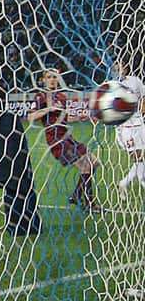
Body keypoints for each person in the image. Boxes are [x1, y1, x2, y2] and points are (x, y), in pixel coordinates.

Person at [27, 68, 102, 212]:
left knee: (94, 162)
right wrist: (48, 109)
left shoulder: (61, 96)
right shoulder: (40, 96)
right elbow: (31, 117)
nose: (53, 80)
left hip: (67, 137)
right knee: (86, 167)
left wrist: (83, 117)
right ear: (43, 80)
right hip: (55, 140)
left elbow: (66, 119)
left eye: (55, 77)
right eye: (49, 77)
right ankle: (89, 203)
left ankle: (77, 195)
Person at [113, 61, 145, 192]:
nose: (117, 71)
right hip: (124, 127)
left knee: (141, 157)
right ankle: (129, 182)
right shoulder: (111, 86)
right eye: (114, 69)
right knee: (138, 156)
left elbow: (143, 96)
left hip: (139, 123)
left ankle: (125, 183)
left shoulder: (134, 81)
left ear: (125, 69)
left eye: (119, 68)